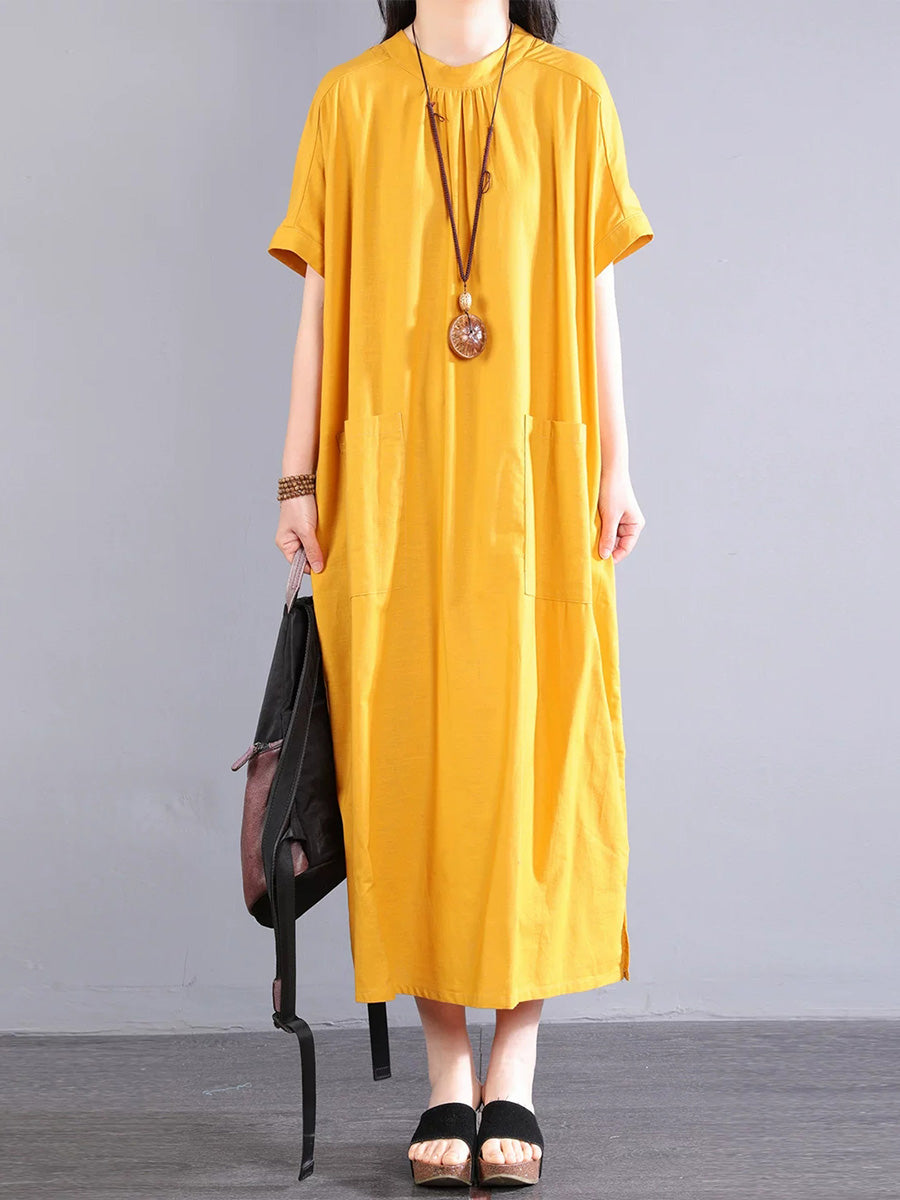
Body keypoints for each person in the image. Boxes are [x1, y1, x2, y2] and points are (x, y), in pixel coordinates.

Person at [266, 0, 653, 1186]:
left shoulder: (572, 93)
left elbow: (595, 291)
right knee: (409, 768)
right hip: (388, 483)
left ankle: (514, 1073)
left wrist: (619, 463)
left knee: (532, 765)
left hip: (536, 475)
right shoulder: (351, 99)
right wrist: (297, 475)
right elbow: (319, 299)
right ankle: (447, 1073)